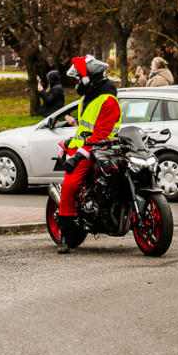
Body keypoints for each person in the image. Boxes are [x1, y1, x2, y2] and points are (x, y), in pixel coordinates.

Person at [57, 55, 122, 254]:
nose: (77, 83)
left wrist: (79, 155)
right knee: (70, 184)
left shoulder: (107, 100)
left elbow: (101, 134)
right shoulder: (89, 96)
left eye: (79, 79)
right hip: (85, 148)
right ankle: (66, 234)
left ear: (89, 79)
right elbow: (87, 128)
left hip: (100, 149)